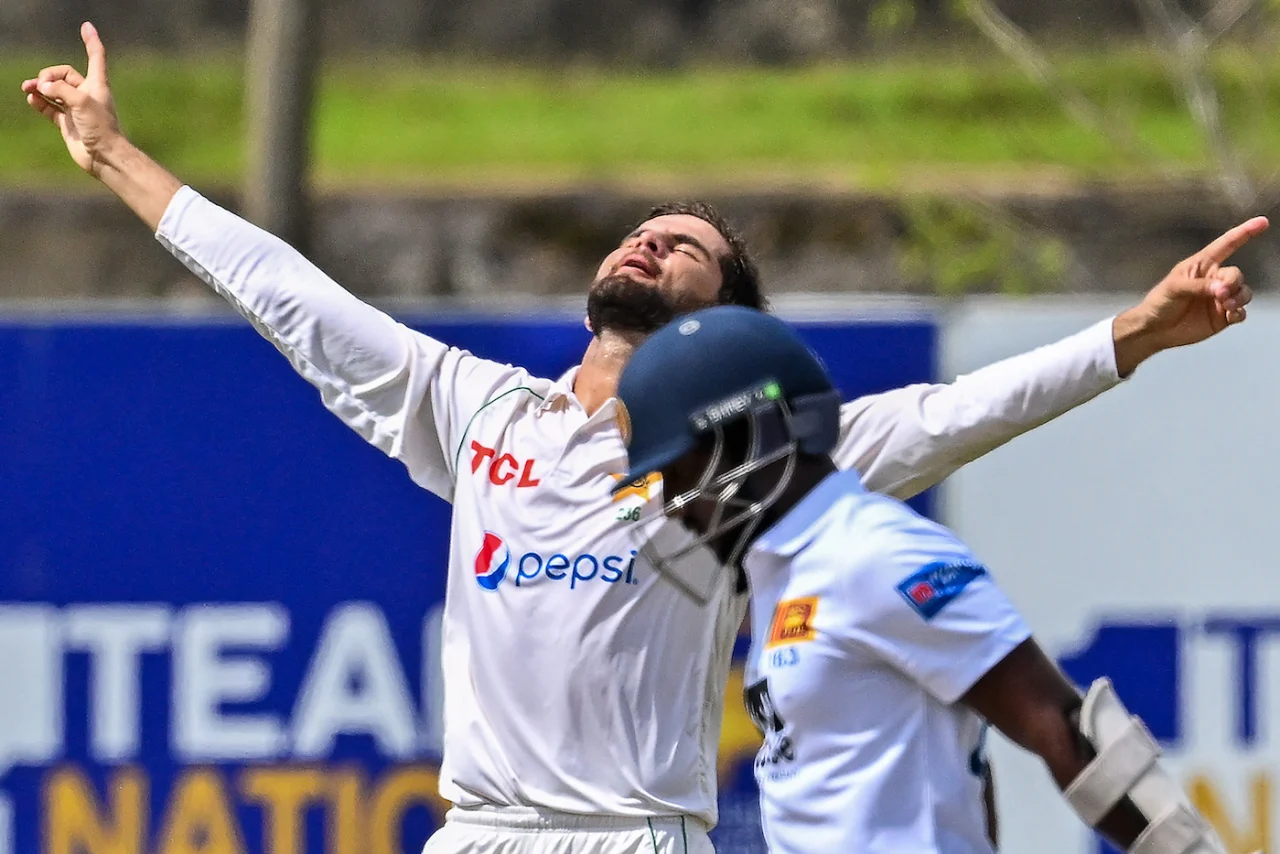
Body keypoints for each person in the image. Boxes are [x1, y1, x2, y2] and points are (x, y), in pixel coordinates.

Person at [20, 23, 1266, 854]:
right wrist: (118, 154)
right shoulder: (476, 407)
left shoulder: (748, 461)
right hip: (477, 831)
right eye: (639, 231)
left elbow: (952, 414)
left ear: (717, 321)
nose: (644, 244)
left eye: (682, 249)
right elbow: (290, 295)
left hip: (634, 833)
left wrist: (1136, 334)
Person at [612, 304, 1233, 854]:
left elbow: (1065, 727)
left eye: (679, 472)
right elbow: (969, 766)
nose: (676, 507)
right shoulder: (785, 574)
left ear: (748, 436)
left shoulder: (876, 552)